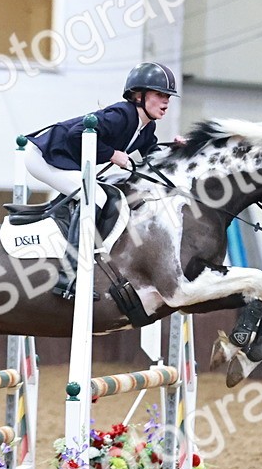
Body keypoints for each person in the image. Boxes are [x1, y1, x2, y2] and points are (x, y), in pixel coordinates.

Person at [24, 62, 180, 297]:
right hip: (44, 157)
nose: (166, 101)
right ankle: (68, 276)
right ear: (139, 96)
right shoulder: (120, 115)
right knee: (95, 196)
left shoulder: (147, 128)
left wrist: (180, 150)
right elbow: (76, 133)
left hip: (65, 162)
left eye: (168, 96)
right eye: (160, 95)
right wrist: (112, 154)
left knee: (102, 192)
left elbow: (153, 155)